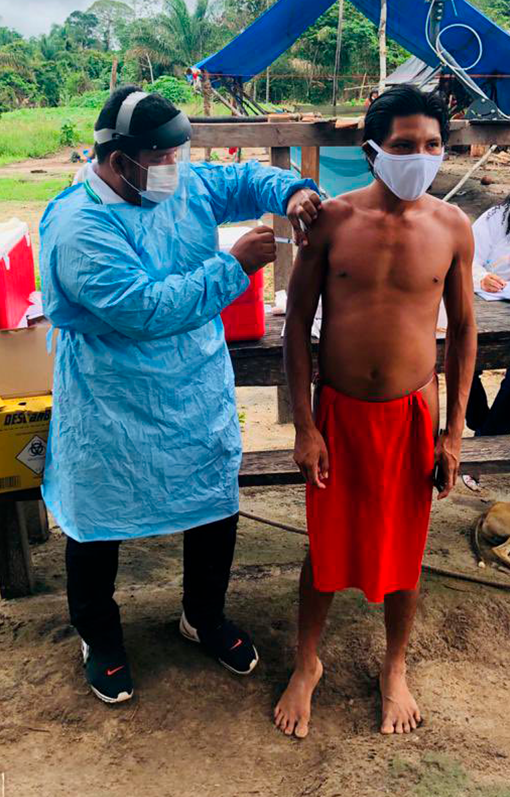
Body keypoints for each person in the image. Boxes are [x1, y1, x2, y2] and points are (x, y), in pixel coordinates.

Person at [39, 85, 321, 705]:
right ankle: (100, 637)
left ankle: (204, 615)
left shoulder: (174, 179)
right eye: (163, 159)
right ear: (118, 160)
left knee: (212, 500)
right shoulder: (78, 225)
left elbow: (242, 179)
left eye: (178, 156)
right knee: (97, 521)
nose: (176, 169)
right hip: (113, 398)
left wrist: (291, 190)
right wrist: (235, 265)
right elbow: (145, 309)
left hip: (192, 388)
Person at [274, 84, 477, 738]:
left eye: (431, 146)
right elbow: (298, 320)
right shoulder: (331, 221)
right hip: (339, 415)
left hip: (412, 415)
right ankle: (308, 662)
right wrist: (305, 426)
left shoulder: (453, 227)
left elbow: (465, 329)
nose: (418, 156)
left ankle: (395, 667)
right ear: (371, 152)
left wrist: (453, 434)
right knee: (326, 545)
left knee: (406, 549)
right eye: (402, 145)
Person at [463, 167, 510, 490]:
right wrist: (482, 277)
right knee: (467, 369)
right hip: (483, 303)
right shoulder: (496, 219)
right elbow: (467, 258)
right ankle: (479, 422)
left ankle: (482, 450)